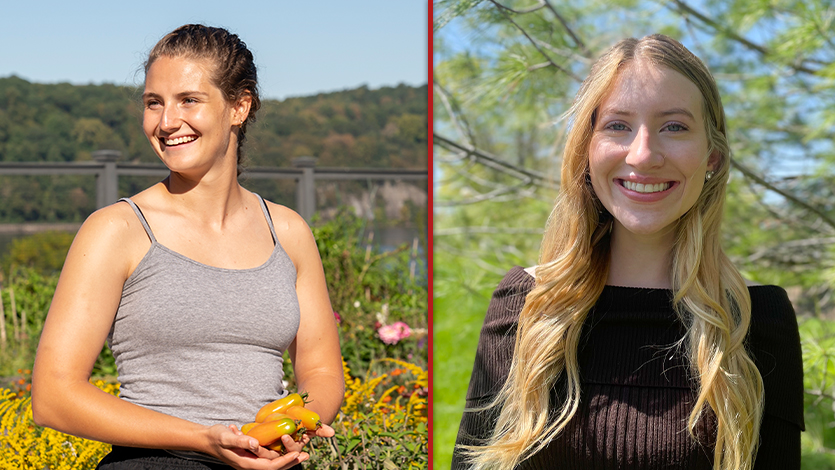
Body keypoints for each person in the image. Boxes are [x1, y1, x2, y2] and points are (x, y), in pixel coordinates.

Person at [452, 34, 804, 470]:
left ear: (712, 155)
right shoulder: (525, 305)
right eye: (618, 125)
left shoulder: (757, 319)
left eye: (674, 126)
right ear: (587, 148)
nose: (643, 155)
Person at [31, 24, 344, 470]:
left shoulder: (289, 232)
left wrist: (296, 424)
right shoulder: (116, 230)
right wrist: (202, 439)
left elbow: (323, 372)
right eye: (153, 103)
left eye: (189, 100)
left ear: (239, 106)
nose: (166, 122)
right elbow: (53, 396)